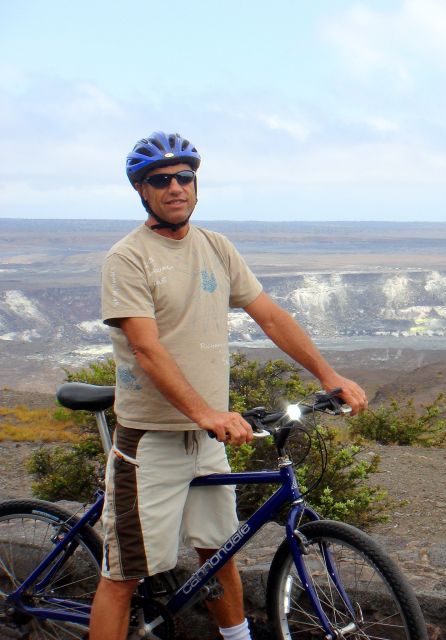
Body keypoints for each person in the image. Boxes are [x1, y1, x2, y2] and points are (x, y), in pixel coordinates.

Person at [91, 131, 368, 640]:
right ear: (141, 190)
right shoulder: (127, 258)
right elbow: (147, 348)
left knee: (220, 552)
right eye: (160, 180)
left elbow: (270, 315)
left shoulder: (216, 247)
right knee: (124, 575)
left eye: (185, 177)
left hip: (208, 439)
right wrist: (204, 412)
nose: (175, 187)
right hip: (150, 441)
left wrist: (328, 375)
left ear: (196, 184)